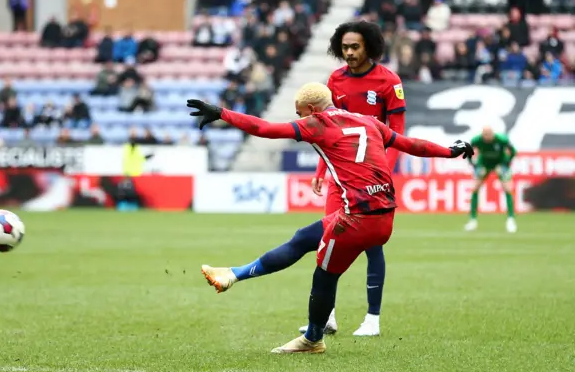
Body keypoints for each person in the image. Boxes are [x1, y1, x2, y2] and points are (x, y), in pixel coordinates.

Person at [186, 83, 473, 353]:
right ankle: (233, 274)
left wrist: (222, 113)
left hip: (358, 220)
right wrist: (450, 151)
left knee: (324, 275)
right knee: (304, 238)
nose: (298, 118)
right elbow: (410, 144)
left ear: (311, 109)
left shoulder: (317, 123)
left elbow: (265, 128)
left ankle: (313, 338)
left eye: (299, 113)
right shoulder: (368, 121)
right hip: (384, 215)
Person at [305, 20, 407, 337]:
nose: (349, 53)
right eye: (345, 47)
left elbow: (398, 133)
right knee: (330, 240)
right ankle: (328, 316)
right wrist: (322, 171)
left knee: (372, 246)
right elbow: (328, 130)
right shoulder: (335, 81)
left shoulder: (389, 82)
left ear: (369, 46)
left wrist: (384, 172)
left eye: (355, 47)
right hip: (341, 177)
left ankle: (372, 319)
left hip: (373, 178)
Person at [465, 126, 517, 233]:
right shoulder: (476, 140)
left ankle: (511, 219)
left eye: (488, 134)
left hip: (500, 163)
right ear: (482, 134)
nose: (487, 137)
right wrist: (473, 164)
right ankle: (472, 220)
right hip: (484, 163)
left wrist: (507, 162)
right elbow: (468, 151)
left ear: (493, 133)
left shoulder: (502, 139)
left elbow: (513, 151)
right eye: (485, 134)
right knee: (475, 188)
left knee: (508, 188)